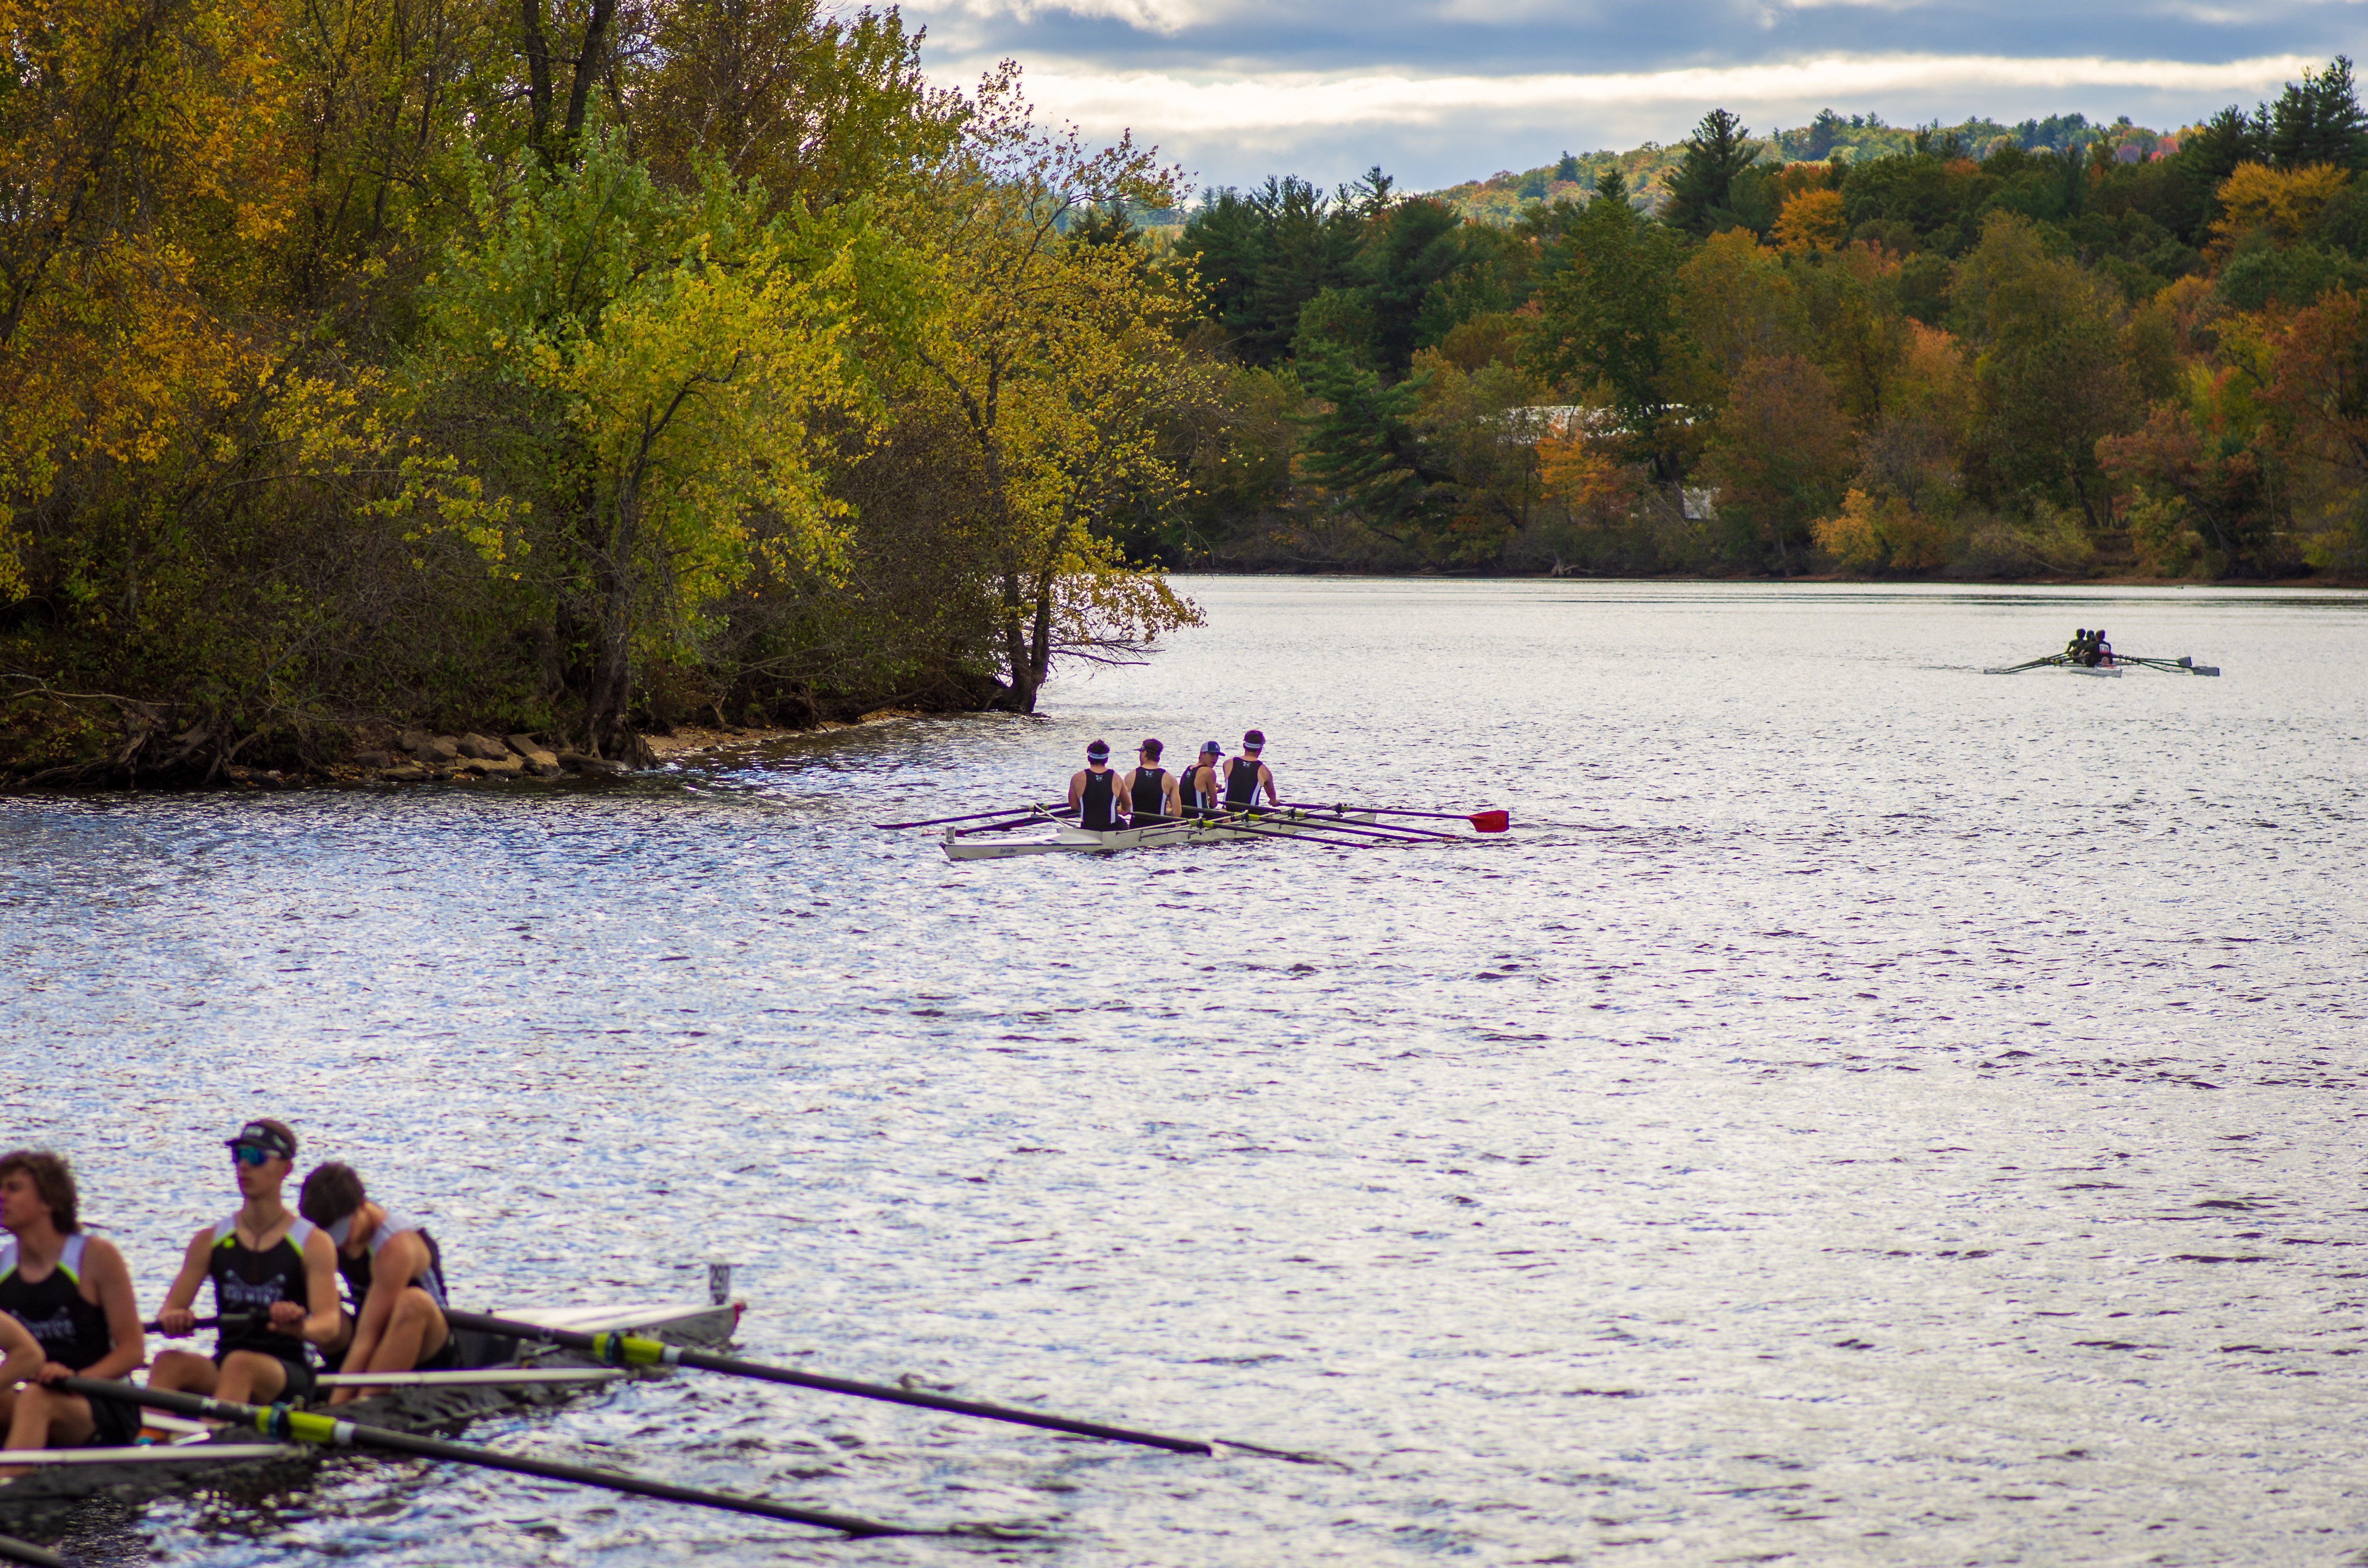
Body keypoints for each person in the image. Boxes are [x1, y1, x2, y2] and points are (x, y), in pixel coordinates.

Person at [151, 1119, 341, 1407]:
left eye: (256, 1157)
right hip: (226, 1361)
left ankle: (211, 1446)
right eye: (238, 1156)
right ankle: (146, 1444)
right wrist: (174, 1318)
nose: (243, 1166)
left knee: (241, 1365)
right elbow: (170, 1309)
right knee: (168, 1362)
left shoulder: (313, 1243)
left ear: (286, 1169)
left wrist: (300, 1327)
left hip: (288, 1370)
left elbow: (329, 1325)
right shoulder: (208, 1241)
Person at [0, 1150, 145, 1455]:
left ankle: (10, 1485)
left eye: (13, 1188)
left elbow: (133, 1351)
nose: (2, 1197)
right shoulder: (3, 1267)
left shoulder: (95, 1257)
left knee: (36, 1398)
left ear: (49, 1201)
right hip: (40, 1395)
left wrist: (76, 1380)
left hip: (103, 1402)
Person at [297, 1162, 456, 1405]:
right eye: (329, 1235)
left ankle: (366, 1403)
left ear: (362, 1206)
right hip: (368, 1333)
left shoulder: (395, 1247)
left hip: (427, 1348)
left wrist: (337, 1411)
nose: (340, 1244)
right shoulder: (323, 1237)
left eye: (341, 1232)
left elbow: (367, 1338)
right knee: (316, 1302)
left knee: (412, 1302)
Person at [1119, 739, 1181, 830]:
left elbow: (1124, 811)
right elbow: (1177, 814)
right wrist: (1167, 810)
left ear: (1144, 753)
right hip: (1161, 829)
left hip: (1136, 828)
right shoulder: (1170, 779)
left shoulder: (1130, 777)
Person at [1069, 740, 1121, 831]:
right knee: (1123, 823)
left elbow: (1074, 806)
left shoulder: (1077, 778)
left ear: (1089, 758)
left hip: (1088, 829)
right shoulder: (1116, 777)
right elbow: (1127, 805)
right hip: (1111, 830)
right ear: (1107, 759)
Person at [1222, 729, 1278, 812]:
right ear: (1261, 749)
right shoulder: (1265, 771)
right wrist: (1275, 801)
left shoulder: (1228, 764)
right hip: (1250, 816)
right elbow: (1273, 801)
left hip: (1227, 813)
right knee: (1270, 815)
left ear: (1244, 746)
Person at [1181, 742, 1222, 820]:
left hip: (1184, 816)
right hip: (1200, 818)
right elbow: (1214, 804)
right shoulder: (1209, 772)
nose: (1215, 758)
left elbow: (1192, 796)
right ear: (1202, 754)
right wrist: (1216, 790)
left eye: (1217, 755)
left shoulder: (1189, 769)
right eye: (1212, 754)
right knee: (1225, 813)